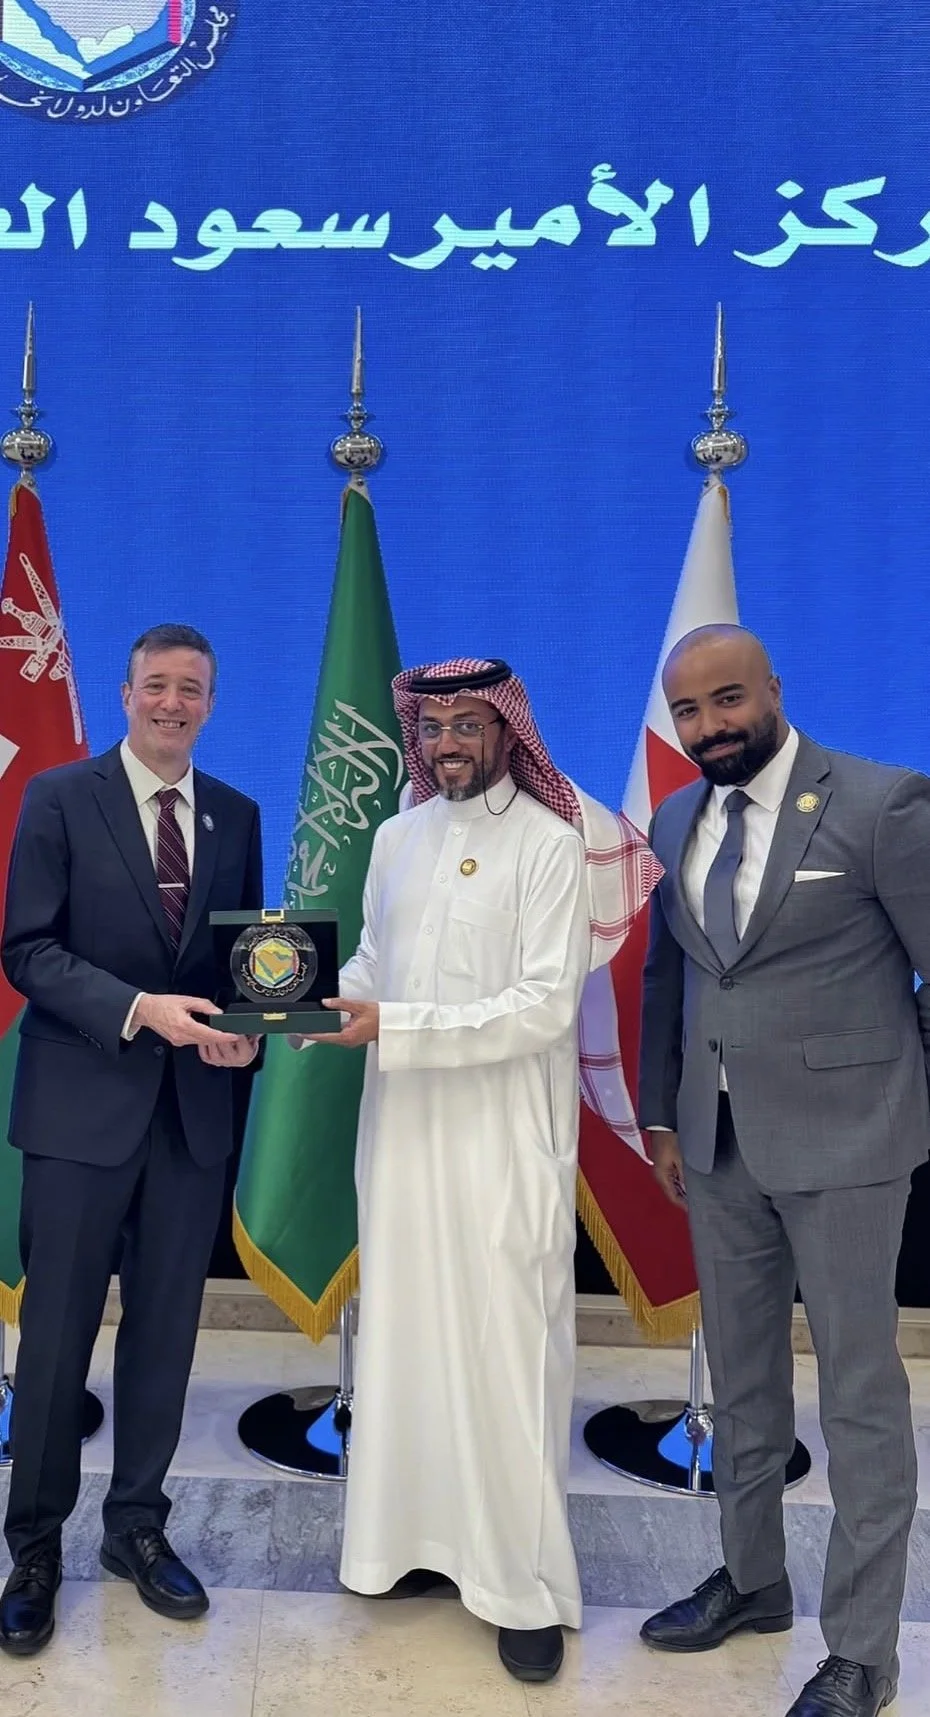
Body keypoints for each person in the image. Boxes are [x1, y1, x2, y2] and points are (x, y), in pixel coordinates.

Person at [296, 656, 660, 1683]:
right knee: (406, 1344)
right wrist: (322, 1002)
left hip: (504, 1140)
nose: (451, 741)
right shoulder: (395, 836)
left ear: (509, 733)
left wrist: (392, 1020)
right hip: (403, 1131)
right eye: (437, 725)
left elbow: (543, 1008)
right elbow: (374, 959)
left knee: (505, 1355)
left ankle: (518, 1586)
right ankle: (404, 1548)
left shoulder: (553, 847)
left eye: (470, 723)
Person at [637, 623, 930, 1717]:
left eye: (727, 701)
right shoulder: (676, 816)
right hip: (715, 1146)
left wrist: (911, 1109)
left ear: (772, 690)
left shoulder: (881, 802)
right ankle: (754, 1580)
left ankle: (862, 1653)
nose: (710, 726)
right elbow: (670, 980)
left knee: (860, 1400)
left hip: (851, 1146)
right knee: (743, 1387)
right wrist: (668, 1119)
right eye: (689, 713)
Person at [0, 623, 262, 1658]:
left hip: (190, 1124)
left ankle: (137, 1531)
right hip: (78, 1116)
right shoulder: (59, 797)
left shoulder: (236, 813)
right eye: (156, 685)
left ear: (210, 701)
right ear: (124, 693)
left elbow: (250, 965)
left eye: (191, 688)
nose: (172, 702)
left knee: (165, 1340)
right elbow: (27, 949)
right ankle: (31, 1550)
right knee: (57, 1343)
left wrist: (247, 1040)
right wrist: (140, 1007)